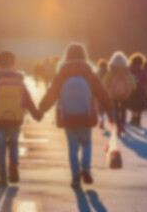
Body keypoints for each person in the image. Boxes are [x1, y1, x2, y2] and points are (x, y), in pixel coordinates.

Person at [39, 44, 114, 188]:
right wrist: (111, 112)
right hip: (86, 115)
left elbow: (51, 94)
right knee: (86, 143)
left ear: (67, 56)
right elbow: (102, 94)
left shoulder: (62, 73)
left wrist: (40, 110)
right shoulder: (89, 73)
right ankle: (85, 169)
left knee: (73, 148)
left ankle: (75, 178)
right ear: (83, 56)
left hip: (68, 116)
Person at [0, 51, 42, 187]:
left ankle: (2, 177)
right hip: (15, 119)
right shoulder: (19, 81)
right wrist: (36, 115)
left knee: (0, 148)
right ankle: (13, 164)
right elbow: (28, 100)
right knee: (13, 144)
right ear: (13, 64)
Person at [103, 52, 136, 136]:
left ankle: (118, 126)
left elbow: (104, 83)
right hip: (125, 94)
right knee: (123, 110)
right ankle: (122, 125)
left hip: (113, 94)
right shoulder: (126, 72)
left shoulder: (111, 72)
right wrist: (131, 90)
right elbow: (133, 84)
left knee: (116, 110)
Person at [127, 53, 147, 127]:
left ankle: (133, 115)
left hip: (131, 90)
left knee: (133, 105)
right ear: (141, 62)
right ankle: (138, 118)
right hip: (140, 90)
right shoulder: (141, 70)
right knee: (140, 106)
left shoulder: (129, 69)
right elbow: (146, 80)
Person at [96, 58, 109, 129]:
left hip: (99, 91)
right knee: (104, 107)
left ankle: (101, 120)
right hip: (107, 92)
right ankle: (103, 119)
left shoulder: (98, 72)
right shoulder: (108, 72)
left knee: (99, 107)